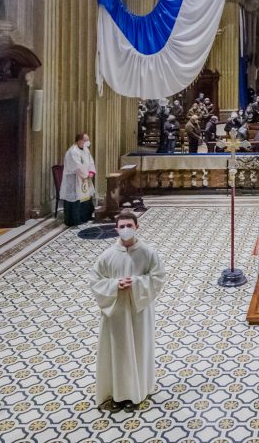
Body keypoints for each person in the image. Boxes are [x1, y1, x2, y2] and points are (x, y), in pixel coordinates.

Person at [89, 211, 166, 413]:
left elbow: (158, 278)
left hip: (139, 310)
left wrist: (137, 283)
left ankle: (138, 392)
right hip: (116, 312)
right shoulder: (107, 256)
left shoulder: (148, 252)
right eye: (121, 226)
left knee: (139, 349)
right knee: (118, 351)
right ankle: (117, 393)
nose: (125, 230)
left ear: (137, 227)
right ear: (116, 229)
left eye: (128, 226)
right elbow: (95, 281)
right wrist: (115, 286)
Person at [59, 133, 96, 226]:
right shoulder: (72, 151)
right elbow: (77, 166)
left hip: (84, 177)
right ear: (80, 140)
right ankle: (74, 220)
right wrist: (85, 174)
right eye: (86, 140)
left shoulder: (85, 149)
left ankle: (85, 216)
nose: (88, 142)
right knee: (75, 198)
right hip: (74, 179)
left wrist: (91, 172)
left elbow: (90, 161)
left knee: (86, 197)